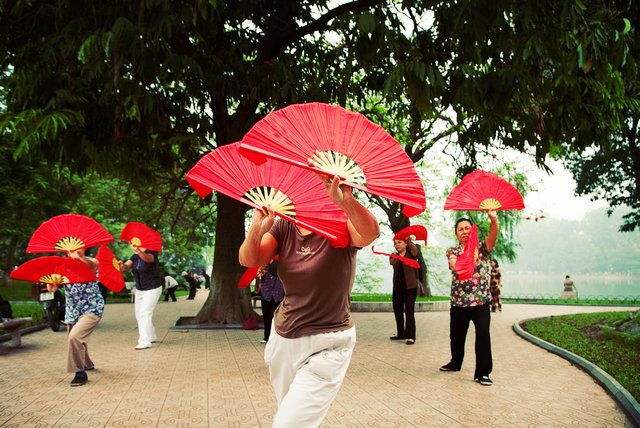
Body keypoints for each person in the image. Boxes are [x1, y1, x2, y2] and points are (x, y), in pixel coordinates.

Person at [239, 174, 379, 428]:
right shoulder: (283, 226)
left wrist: (346, 200)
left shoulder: (341, 221)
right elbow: (248, 259)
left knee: (289, 423)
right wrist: (257, 226)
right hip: (284, 338)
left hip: (329, 342)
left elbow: (369, 235)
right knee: (290, 412)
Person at [440, 211, 498, 387]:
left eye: (467, 228)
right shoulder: (452, 251)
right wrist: (463, 260)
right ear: (456, 234)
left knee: (482, 333)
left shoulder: (481, 249)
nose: (464, 231)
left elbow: (493, 237)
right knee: (456, 336)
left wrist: (493, 220)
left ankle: (483, 373)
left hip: (480, 301)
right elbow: (454, 265)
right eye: (460, 229)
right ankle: (455, 362)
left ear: (473, 231)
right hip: (459, 302)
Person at [56, 247, 104, 387]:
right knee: (77, 339)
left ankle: (80, 373)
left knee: (75, 337)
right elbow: (54, 283)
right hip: (72, 310)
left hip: (92, 307)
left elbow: (91, 267)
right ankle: (87, 363)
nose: (75, 250)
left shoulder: (92, 262)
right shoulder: (62, 266)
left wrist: (79, 258)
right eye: (72, 249)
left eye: (79, 247)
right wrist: (52, 286)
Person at [120, 244, 163, 350]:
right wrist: (121, 265)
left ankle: (144, 341)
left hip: (153, 288)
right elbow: (126, 267)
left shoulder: (152, 251)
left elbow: (149, 259)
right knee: (139, 314)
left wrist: (138, 251)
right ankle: (151, 335)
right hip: (140, 289)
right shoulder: (134, 257)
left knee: (145, 313)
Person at [389, 237, 420, 345]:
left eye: (399, 242)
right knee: (398, 311)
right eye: (395, 243)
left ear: (405, 243)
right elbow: (392, 263)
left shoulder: (411, 254)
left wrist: (410, 243)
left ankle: (411, 336)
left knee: (409, 312)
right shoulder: (394, 255)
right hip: (397, 288)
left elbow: (415, 251)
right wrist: (397, 256)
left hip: (410, 288)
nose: (397, 245)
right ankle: (401, 334)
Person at [255, 259, 284, 344]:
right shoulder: (263, 265)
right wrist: (260, 275)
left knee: (275, 317)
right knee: (266, 316)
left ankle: (275, 338)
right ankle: (266, 337)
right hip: (266, 294)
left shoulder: (280, 264)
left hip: (277, 294)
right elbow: (258, 277)